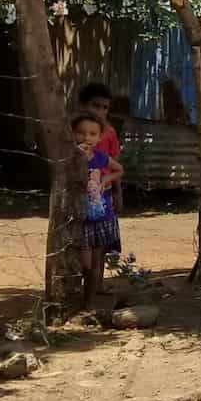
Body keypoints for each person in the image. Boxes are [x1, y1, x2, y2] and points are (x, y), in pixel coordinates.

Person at [74, 111, 123, 311]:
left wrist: (104, 180)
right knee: (84, 264)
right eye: (81, 133)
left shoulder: (101, 157)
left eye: (92, 134)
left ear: (99, 136)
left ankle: (88, 304)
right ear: (73, 134)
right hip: (80, 219)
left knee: (95, 264)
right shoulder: (71, 157)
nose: (87, 138)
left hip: (101, 216)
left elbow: (119, 169)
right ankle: (79, 297)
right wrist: (78, 159)